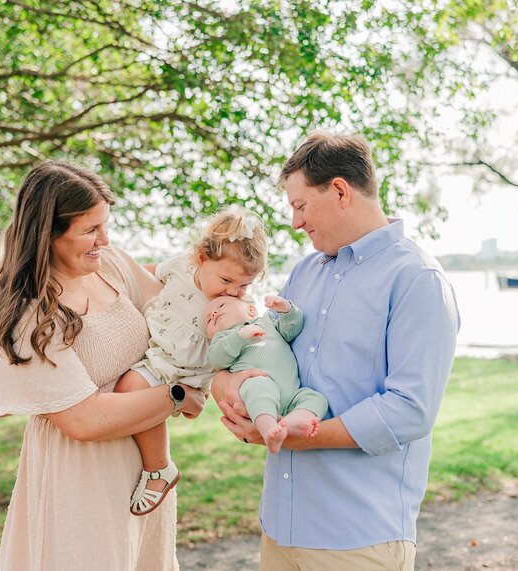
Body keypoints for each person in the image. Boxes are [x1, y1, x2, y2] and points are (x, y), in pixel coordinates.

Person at [212, 132, 460, 571]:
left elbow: (410, 410)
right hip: (279, 527)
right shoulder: (305, 271)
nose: (295, 222)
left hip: (358, 539)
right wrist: (226, 383)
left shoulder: (417, 279)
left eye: (300, 205)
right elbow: (266, 350)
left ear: (341, 190)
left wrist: (298, 438)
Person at [0, 161, 207, 570]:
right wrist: (176, 396)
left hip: (146, 476)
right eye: (90, 230)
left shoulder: (113, 266)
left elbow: (177, 313)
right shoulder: (28, 313)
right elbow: (84, 419)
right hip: (80, 478)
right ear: (47, 234)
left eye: (105, 225)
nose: (104, 239)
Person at [115, 206, 267, 516]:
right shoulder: (178, 268)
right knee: (134, 394)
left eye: (244, 285)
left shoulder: (236, 304)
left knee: (131, 389)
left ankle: (159, 469)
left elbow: (243, 337)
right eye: (227, 280)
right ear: (200, 258)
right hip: (161, 355)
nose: (234, 291)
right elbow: (145, 273)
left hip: (183, 370)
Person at [205, 295, 328, 453]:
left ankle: (292, 422)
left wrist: (287, 310)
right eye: (208, 320)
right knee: (259, 387)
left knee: (316, 398)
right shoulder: (223, 337)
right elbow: (217, 360)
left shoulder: (267, 321)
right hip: (258, 383)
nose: (213, 314)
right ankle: (269, 430)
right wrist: (240, 335)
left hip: (293, 393)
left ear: (251, 310)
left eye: (221, 306)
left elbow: (290, 331)